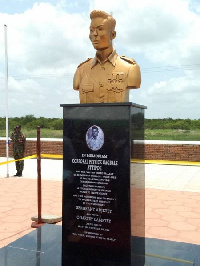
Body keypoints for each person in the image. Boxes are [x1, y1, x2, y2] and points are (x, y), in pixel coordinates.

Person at [73, 10, 141, 103]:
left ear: (112, 35)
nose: (94, 34)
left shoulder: (130, 68)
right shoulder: (81, 70)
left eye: (100, 29)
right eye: (91, 30)